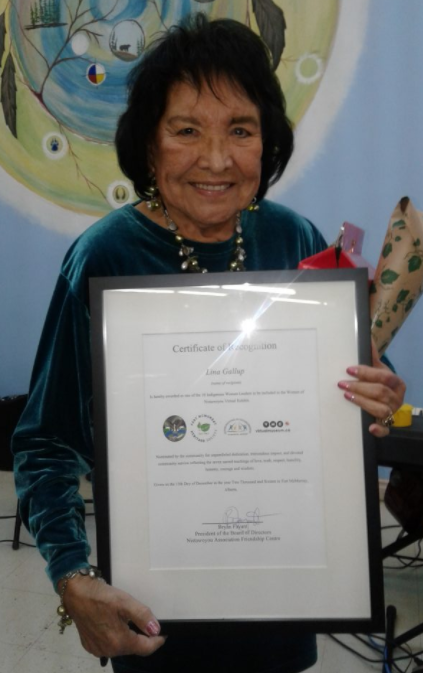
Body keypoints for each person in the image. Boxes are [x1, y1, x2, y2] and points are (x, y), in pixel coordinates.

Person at [12, 14, 405, 673]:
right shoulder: (104, 255)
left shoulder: (292, 237)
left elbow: (361, 375)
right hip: (154, 611)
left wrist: (379, 394)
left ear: (266, 141)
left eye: (240, 131)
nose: (215, 159)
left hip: (283, 595)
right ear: (149, 142)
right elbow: (45, 439)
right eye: (186, 130)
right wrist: (72, 575)